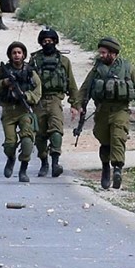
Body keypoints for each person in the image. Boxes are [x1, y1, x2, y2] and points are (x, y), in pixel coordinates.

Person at [77, 37, 135, 190]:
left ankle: (117, 169)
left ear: (113, 53)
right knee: (104, 140)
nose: (101, 55)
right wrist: (78, 105)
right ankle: (105, 167)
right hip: (102, 110)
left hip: (120, 110)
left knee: (118, 137)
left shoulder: (127, 68)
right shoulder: (97, 69)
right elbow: (85, 88)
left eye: (104, 53)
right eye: (100, 52)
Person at [28, 27, 80, 178]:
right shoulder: (35, 60)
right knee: (40, 135)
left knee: (56, 131)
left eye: (50, 41)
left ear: (56, 42)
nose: (47, 43)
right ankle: (44, 162)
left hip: (56, 99)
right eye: (44, 41)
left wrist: (75, 104)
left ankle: (55, 162)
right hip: (38, 101)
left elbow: (71, 84)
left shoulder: (64, 61)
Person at [0, 41, 42, 183]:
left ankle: (23, 169)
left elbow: (38, 92)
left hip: (25, 111)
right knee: (10, 144)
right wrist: (4, 83)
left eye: (19, 52)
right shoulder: (3, 71)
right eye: (14, 53)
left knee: (27, 142)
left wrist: (26, 96)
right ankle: (11, 159)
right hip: (9, 112)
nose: (17, 55)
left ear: (23, 55)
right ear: (10, 55)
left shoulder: (30, 71)